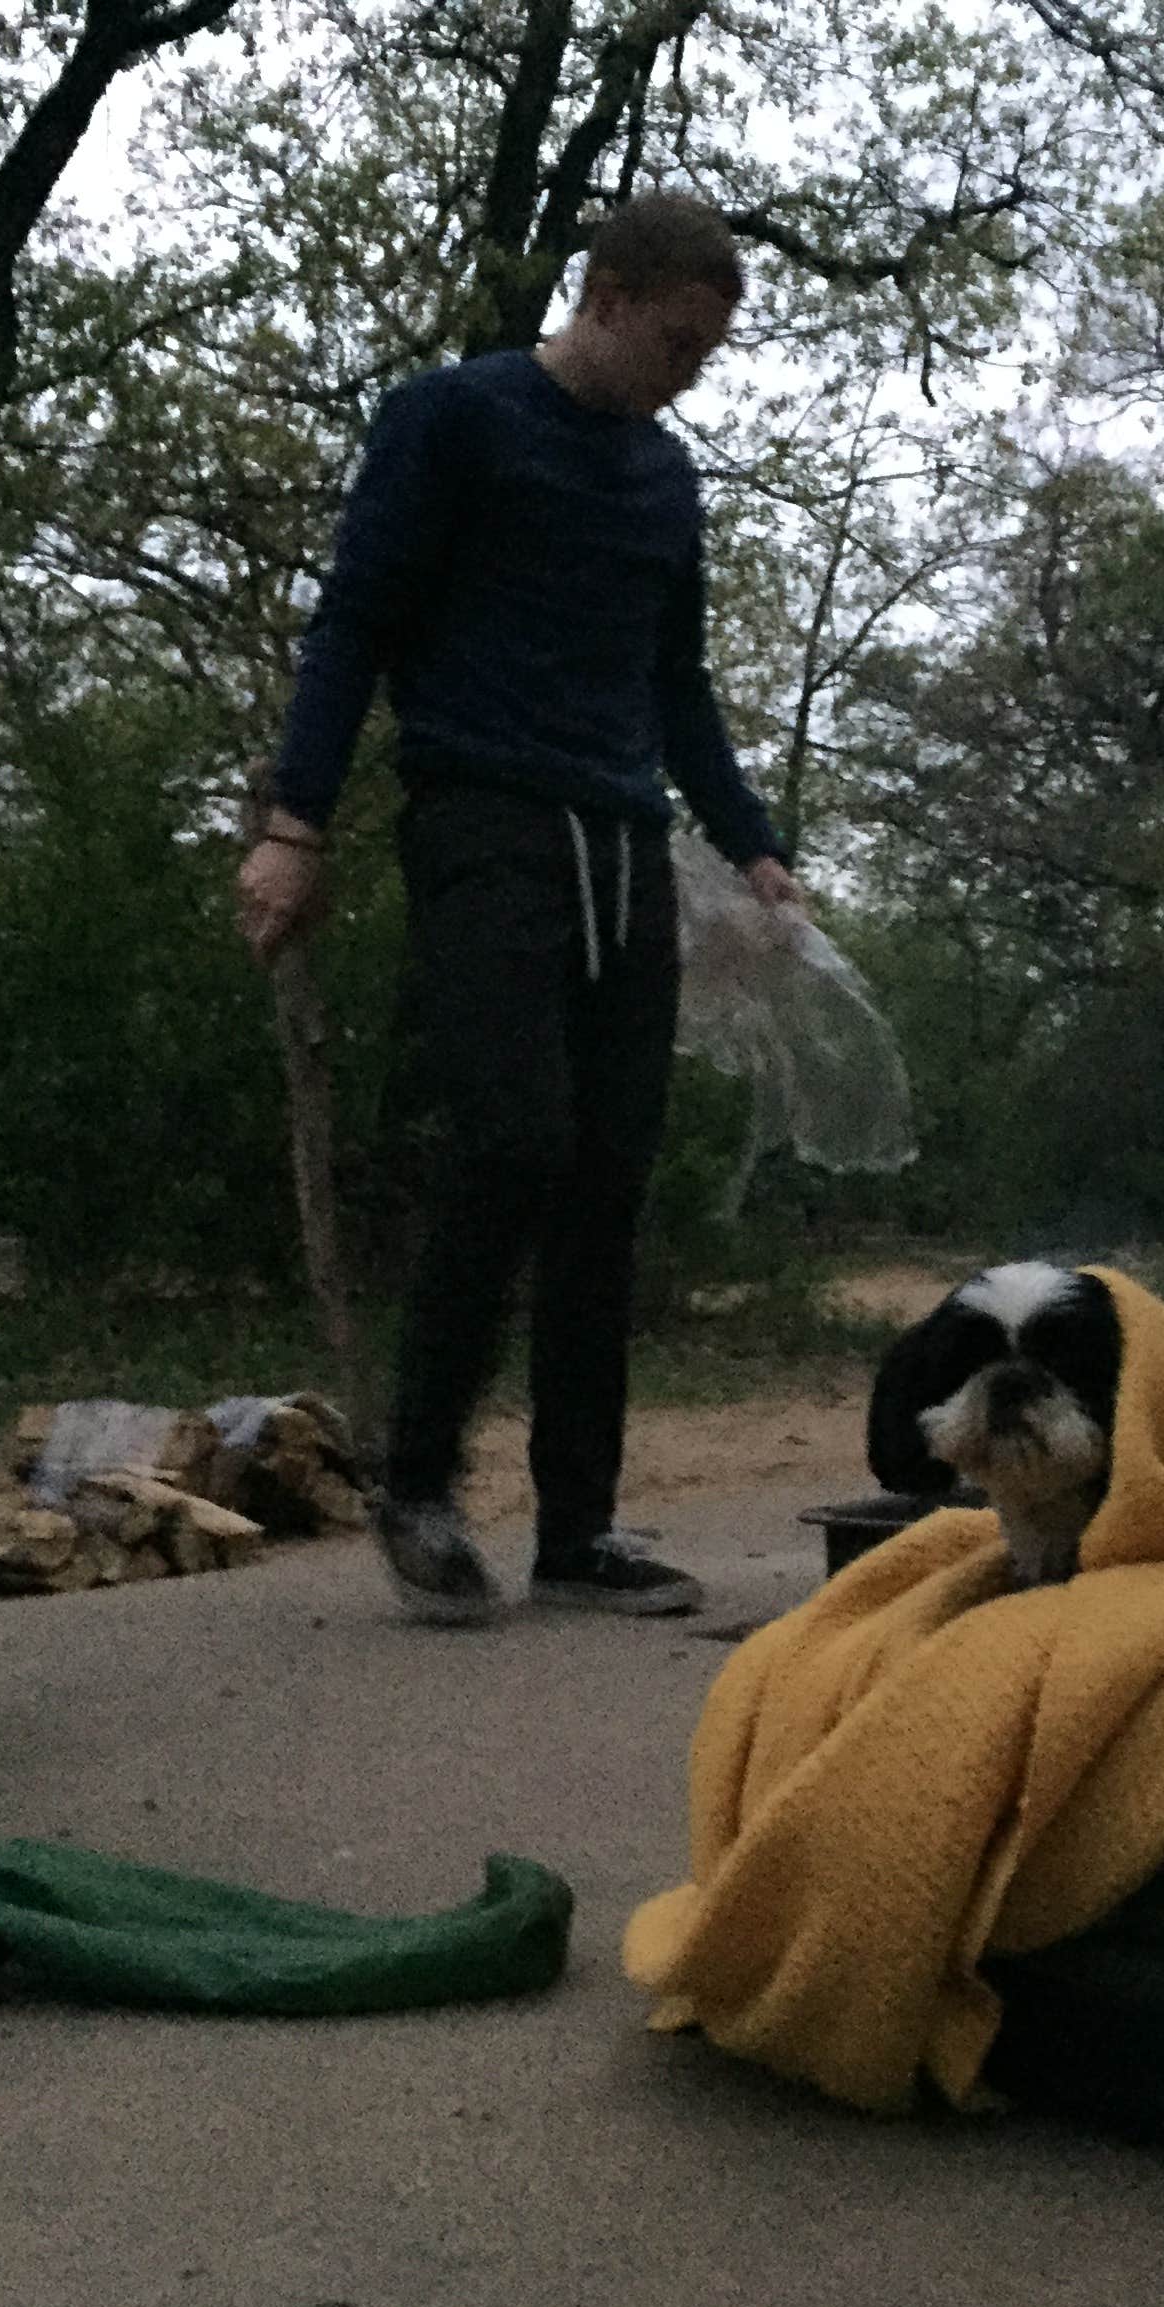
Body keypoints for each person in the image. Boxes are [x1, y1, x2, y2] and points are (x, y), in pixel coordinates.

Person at [236, 189, 803, 1625]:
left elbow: (676, 689)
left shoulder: (666, 481)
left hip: (626, 840)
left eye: (709, 353)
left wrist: (751, 844)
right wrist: (292, 823)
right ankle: (415, 1484)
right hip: (485, 819)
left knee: (606, 1182)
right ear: (605, 297)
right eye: (677, 342)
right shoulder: (453, 418)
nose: (690, 371)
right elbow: (356, 615)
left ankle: (579, 1533)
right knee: (515, 1136)